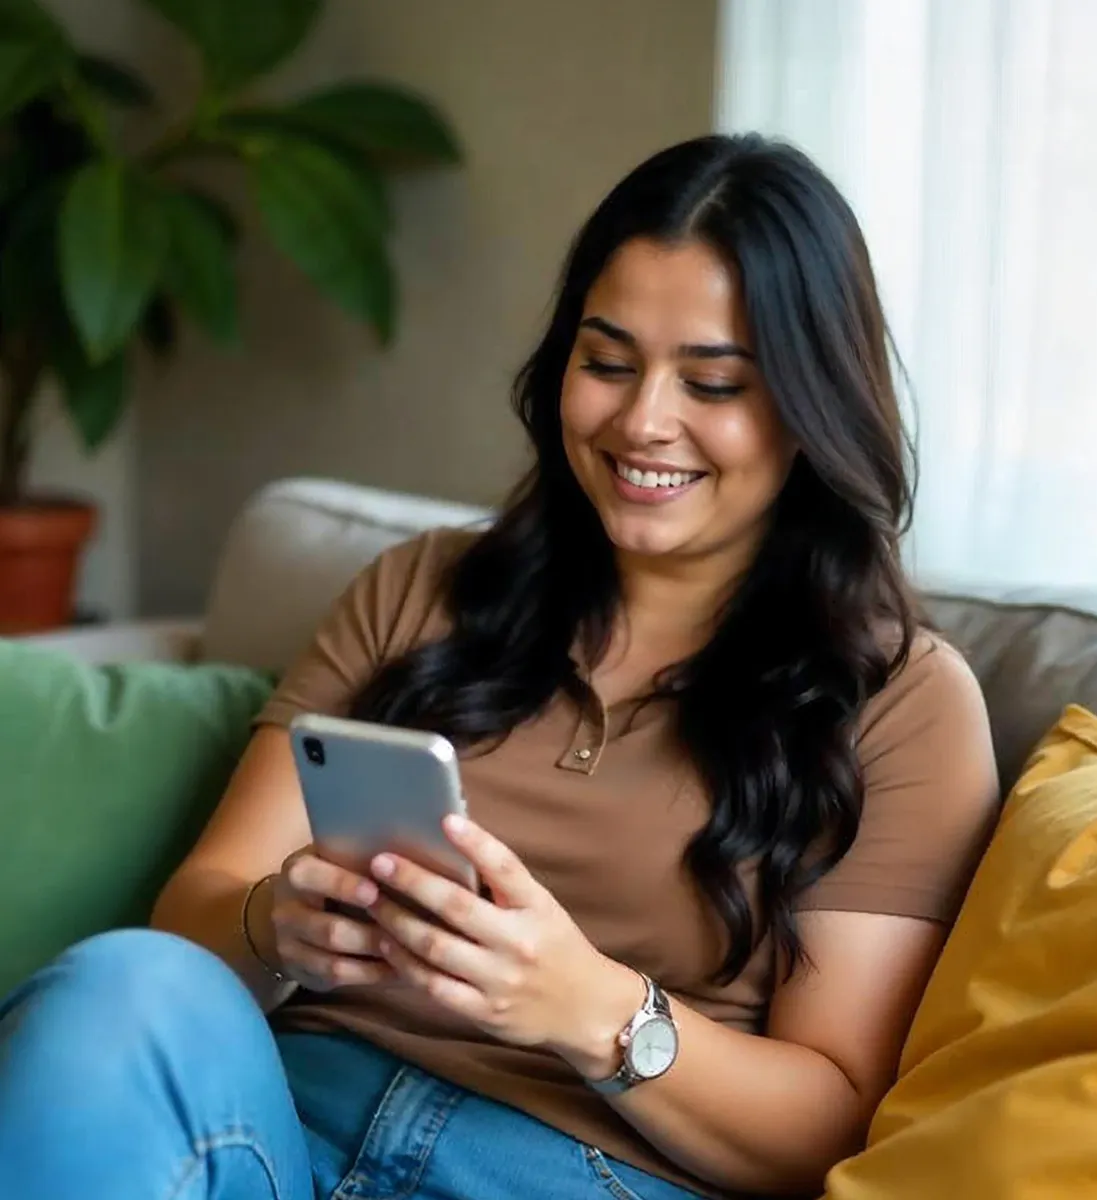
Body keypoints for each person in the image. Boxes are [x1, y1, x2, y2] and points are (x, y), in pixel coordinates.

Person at [0, 133, 999, 1200]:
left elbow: (832, 1125)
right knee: (120, 985)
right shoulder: (420, 589)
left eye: (712, 383)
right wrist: (272, 922)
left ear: (812, 404)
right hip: (281, 1126)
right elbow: (192, 918)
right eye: (607, 362)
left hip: (565, 1173)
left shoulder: (900, 698)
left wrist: (590, 1008)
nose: (642, 420)